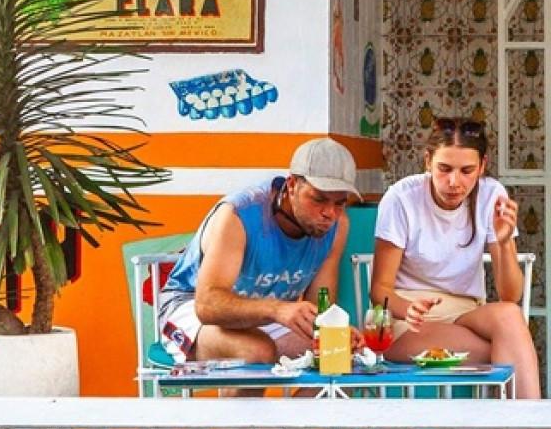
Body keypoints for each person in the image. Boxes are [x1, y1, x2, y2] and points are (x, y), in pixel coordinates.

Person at [370, 118, 540, 399]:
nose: (454, 182)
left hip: (466, 312)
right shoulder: (401, 197)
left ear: (482, 166)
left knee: (510, 316)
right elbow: (379, 291)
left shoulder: (491, 194)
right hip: (410, 320)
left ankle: (521, 427)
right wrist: (408, 309)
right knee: (510, 353)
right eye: (444, 169)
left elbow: (510, 296)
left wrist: (504, 241)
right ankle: (525, 427)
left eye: (467, 171)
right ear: (428, 161)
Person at [159, 138, 358, 364]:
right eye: (319, 199)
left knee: (338, 351)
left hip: (266, 316)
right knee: (256, 351)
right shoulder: (239, 214)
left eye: (340, 203)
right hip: (190, 307)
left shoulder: (338, 225)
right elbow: (207, 305)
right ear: (292, 185)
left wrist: (334, 330)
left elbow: (319, 309)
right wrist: (277, 310)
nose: (329, 213)